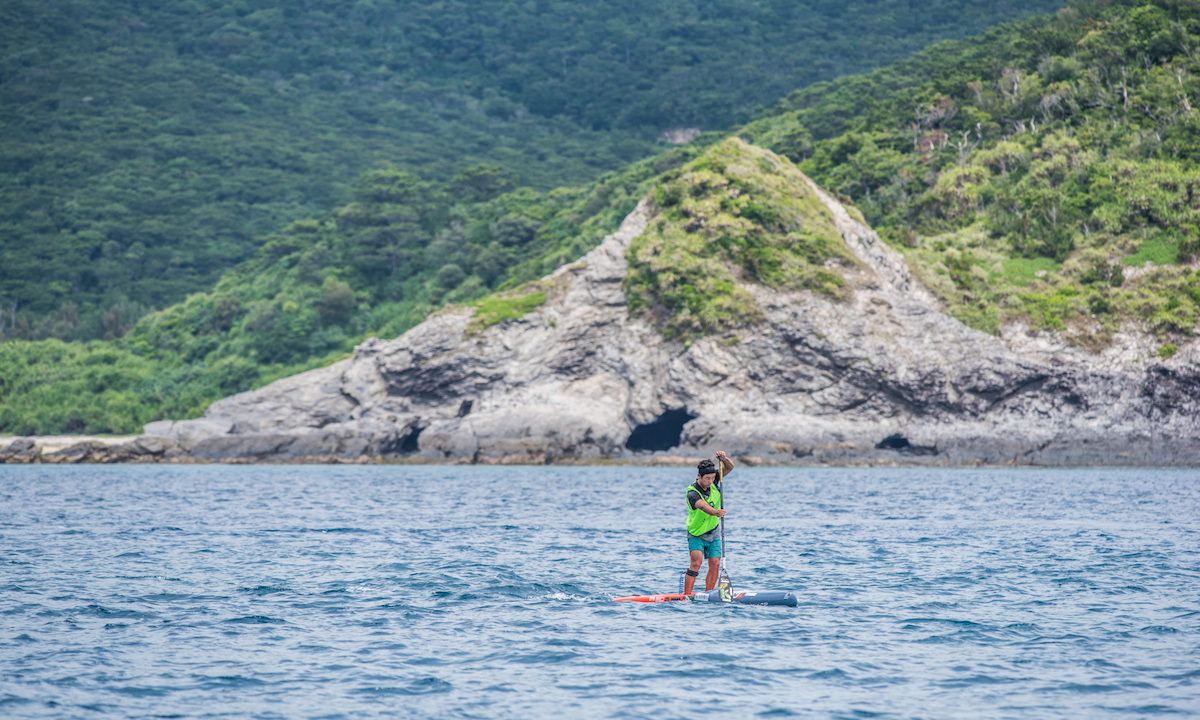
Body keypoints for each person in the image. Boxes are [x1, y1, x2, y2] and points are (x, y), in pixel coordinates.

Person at [684, 451, 734, 595]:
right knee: (696, 563)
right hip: (696, 533)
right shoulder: (692, 492)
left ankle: (708, 594)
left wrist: (724, 459)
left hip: (713, 531)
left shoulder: (715, 478)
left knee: (715, 564)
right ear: (699, 476)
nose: (710, 481)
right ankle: (686, 596)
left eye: (712, 478)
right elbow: (702, 506)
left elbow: (730, 467)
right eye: (707, 479)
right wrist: (715, 512)